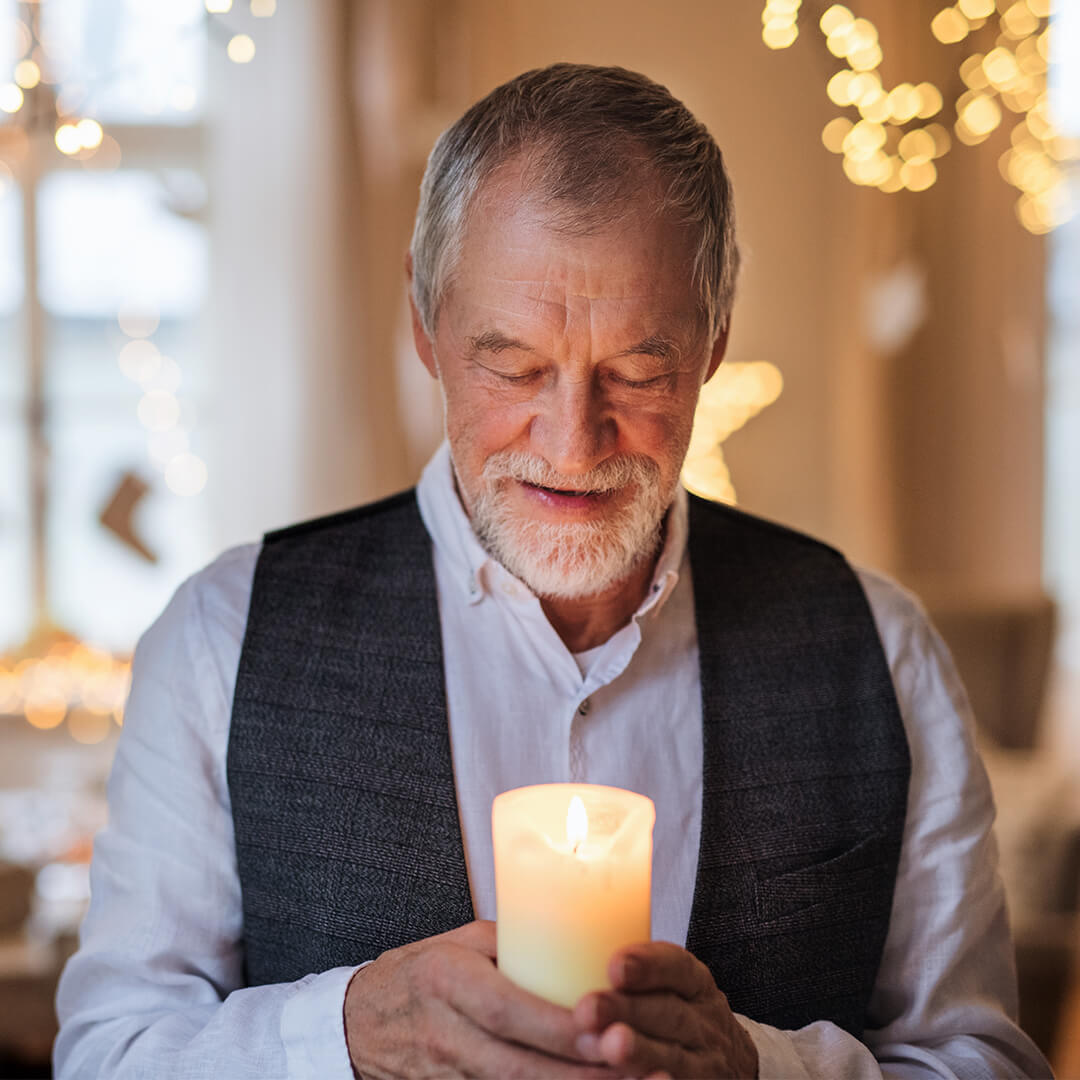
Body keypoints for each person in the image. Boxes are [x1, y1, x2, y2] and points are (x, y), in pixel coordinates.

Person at [54, 63, 1050, 1079]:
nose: (574, 445)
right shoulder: (221, 638)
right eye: (516, 366)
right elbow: (110, 1053)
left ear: (716, 336)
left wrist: (763, 1068)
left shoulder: (879, 650)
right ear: (424, 326)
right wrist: (344, 1035)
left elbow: (987, 1062)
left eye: (637, 370)